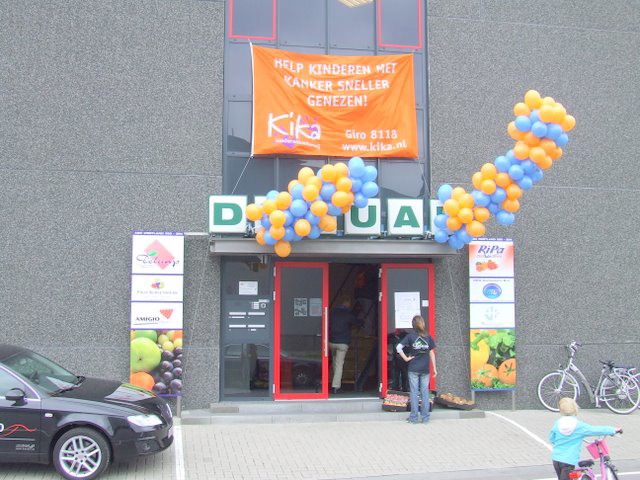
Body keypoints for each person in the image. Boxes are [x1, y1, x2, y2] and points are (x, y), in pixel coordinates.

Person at [549, 397, 622, 480]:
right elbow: (595, 430)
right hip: (569, 460)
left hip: (556, 459)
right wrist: (613, 430)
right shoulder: (579, 426)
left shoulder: (557, 423)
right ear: (575, 408)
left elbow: (552, 439)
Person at [396, 315, 437, 424]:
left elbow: (398, 347)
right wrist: (434, 368)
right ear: (423, 323)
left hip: (413, 368)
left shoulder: (410, 336)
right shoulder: (428, 337)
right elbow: (432, 353)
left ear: (413, 325)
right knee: (425, 393)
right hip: (425, 369)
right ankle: (425, 418)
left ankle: (413, 418)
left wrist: (406, 358)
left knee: (414, 393)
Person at [328, 296, 361, 394]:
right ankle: (336, 387)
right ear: (347, 303)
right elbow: (356, 322)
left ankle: (333, 383)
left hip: (331, 342)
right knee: (339, 365)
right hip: (342, 343)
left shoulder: (332, 312)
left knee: (335, 363)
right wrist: (362, 320)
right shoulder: (348, 314)